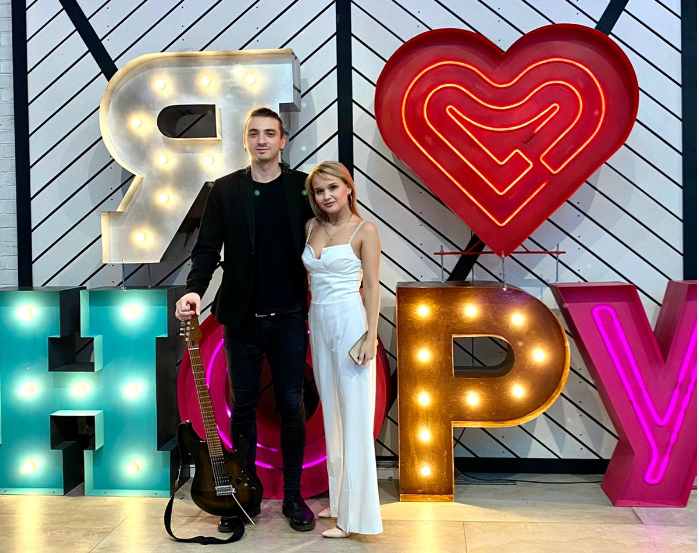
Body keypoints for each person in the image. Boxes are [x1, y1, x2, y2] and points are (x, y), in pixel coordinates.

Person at [175, 107, 316, 532]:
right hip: (242, 320)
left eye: (270, 133)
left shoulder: (302, 188)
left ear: (283, 140)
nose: (262, 140)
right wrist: (194, 289)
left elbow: (329, 236)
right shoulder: (225, 189)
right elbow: (206, 249)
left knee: (292, 406)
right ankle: (242, 496)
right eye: (254, 133)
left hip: (290, 316)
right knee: (243, 408)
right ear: (245, 140)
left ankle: (293, 497)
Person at [302, 161, 383, 538]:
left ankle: (357, 519)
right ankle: (339, 502)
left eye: (332, 187)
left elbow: (373, 287)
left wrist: (371, 336)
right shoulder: (311, 227)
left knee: (354, 416)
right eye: (319, 191)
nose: (326, 196)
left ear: (348, 188)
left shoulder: (365, 230)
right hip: (318, 322)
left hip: (351, 321)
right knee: (332, 414)